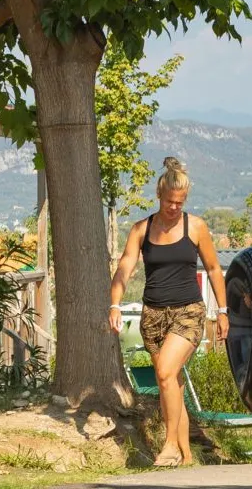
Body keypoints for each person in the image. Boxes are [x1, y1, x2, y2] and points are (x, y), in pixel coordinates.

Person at [109, 157, 230, 467]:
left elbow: (215, 269)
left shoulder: (197, 227)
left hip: (188, 311)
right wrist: (115, 304)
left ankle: (170, 445)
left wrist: (223, 310)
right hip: (153, 316)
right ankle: (187, 457)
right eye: (169, 201)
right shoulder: (141, 229)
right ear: (159, 195)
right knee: (170, 382)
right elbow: (124, 267)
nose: (174, 207)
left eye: (180, 202)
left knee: (163, 373)